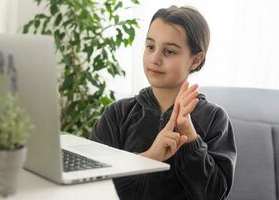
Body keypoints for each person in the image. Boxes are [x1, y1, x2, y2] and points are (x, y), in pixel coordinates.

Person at [90, 5, 236, 200]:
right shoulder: (116, 114)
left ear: (195, 60)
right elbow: (91, 183)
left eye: (169, 51)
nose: (154, 58)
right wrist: (150, 157)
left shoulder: (214, 118)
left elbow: (215, 194)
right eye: (150, 47)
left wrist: (190, 139)